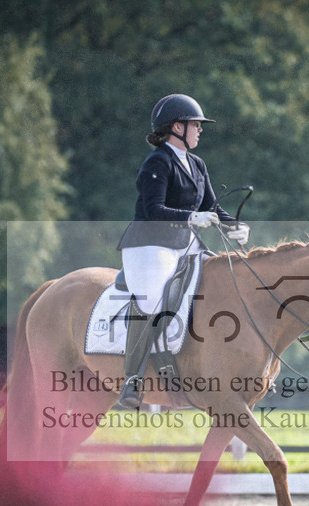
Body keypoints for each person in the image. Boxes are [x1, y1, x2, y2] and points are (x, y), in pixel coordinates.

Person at [115, 94, 250, 409]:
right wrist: (190, 218)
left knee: (224, 284)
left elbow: (210, 208)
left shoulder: (197, 164)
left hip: (184, 245)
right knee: (150, 299)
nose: (200, 130)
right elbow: (153, 209)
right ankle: (132, 380)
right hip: (149, 245)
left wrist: (235, 226)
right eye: (195, 125)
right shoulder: (158, 162)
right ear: (177, 127)